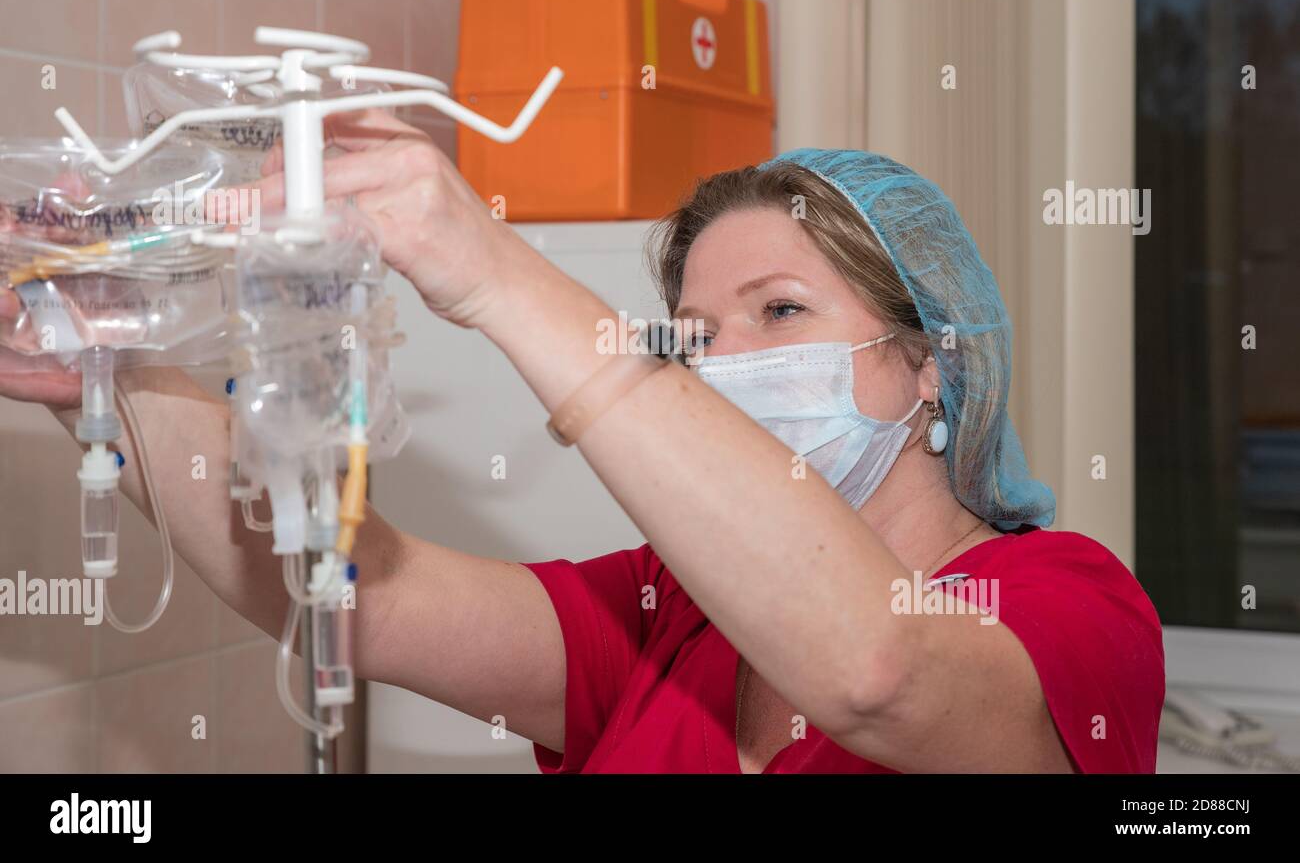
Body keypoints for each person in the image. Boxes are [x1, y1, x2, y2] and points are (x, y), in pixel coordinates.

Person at [0, 110, 1165, 773]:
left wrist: (489, 266)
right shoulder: (669, 614)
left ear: (935, 363)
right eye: (695, 336)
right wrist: (102, 371)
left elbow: (879, 670)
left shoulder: (1071, 606)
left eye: (781, 311)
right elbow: (358, 602)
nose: (727, 365)